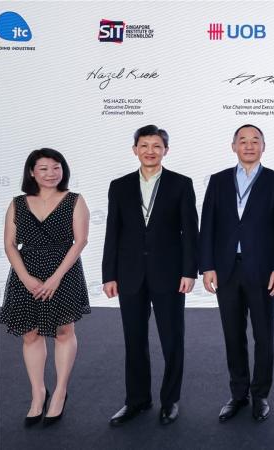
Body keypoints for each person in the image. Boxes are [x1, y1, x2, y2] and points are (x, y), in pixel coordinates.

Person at [102, 125, 198, 426]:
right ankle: (137, 400)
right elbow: (112, 232)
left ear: (165, 150)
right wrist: (109, 274)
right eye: (144, 145)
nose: (150, 151)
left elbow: (190, 232)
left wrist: (189, 271)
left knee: (172, 339)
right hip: (129, 273)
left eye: (156, 146)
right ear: (135, 150)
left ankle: (170, 401)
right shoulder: (119, 186)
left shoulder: (181, 184)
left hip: (169, 273)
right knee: (134, 340)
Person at [200, 124, 274, 423]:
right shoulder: (218, 181)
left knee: (263, 335)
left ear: (263, 146)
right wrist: (207, 266)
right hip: (226, 270)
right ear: (234, 146)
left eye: (255, 141)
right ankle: (238, 394)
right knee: (233, 334)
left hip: (263, 271)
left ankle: (260, 394)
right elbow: (207, 225)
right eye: (243, 141)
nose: (249, 146)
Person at [0, 148, 91, 426]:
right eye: (44, 168)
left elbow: (80, 241)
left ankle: (60, 391)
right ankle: (38, 393)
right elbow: (9, 244)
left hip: (64, 271)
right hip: (26, 273)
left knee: (64, 331)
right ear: (31, 172)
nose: (51, 173)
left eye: (56, 167)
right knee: (30, 334)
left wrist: (55, 278)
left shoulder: (74, 200)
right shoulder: (18, 203)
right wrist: (26, 278)